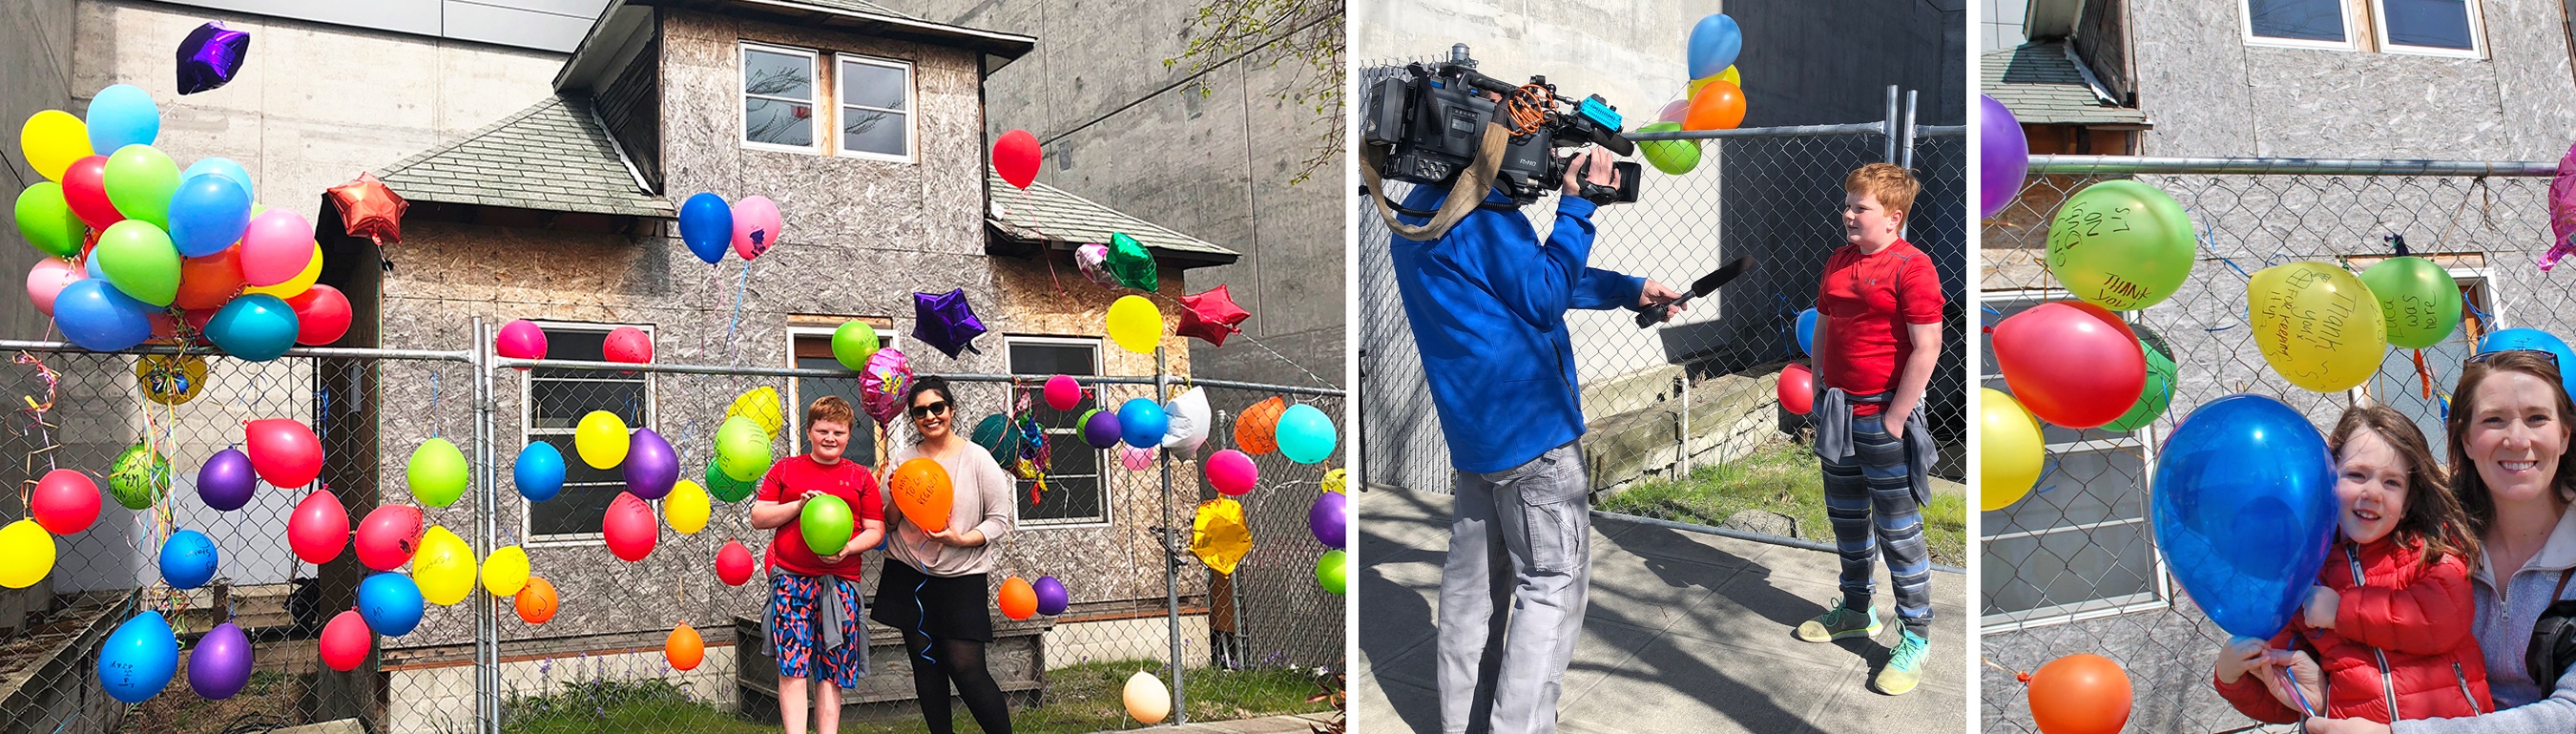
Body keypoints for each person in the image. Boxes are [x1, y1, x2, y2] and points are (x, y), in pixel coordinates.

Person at [1388, 144, 1682, 734]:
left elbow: (1522, 281)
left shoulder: (1425, 208)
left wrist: (1627, 288)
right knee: (1551, 586)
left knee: (1473, 587)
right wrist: (1578, 209)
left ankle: (1463, 721)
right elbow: (1543, 296)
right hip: (1534, 433)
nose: (1542, 157)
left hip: (1478, 437)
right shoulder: (1485, 215)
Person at [2306, 349, 2576, 733]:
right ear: (2466, 440)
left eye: (2537, 418)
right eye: (2494, 420)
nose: (2517, 439)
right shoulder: (2425, 542)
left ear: (2564, 435)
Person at [2212, 405, 2488, 723]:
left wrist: (2341, 612)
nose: (2372, 492)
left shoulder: (2428, 547)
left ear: (2409, 500)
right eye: (2357, 475)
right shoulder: (2307, 574)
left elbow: (2439, 619)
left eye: (2392, 483)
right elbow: (2289, 699)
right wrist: (2233, 677)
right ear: (2328, 481)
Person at [1794, 162, 1944, 696]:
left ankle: (1916, 636)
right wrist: (1817, 388)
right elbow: (1826, 327)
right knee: (1848, 521)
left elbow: (1927, 347)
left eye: (1861, 207)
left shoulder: (1914, 267)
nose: (1849, 214)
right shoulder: (1837, 261)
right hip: (1837, 409)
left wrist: (1898, 417)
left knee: (1899, 532)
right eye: (1849, 204)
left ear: (1894, 217)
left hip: (1884, 415)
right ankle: (1857, 609)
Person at [873, 376, 1019, 734]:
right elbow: (890, 524)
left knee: (967, 669)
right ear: (913, 418)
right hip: (909, 576)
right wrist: (891, 494)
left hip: (961, 577)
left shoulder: (977, 458)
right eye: (920, 411)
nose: (930, 416)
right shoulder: (903, 461)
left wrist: (961, 539)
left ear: (951, 410)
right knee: (926, 667)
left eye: (937, 407)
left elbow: (999, 520)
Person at [748, 395, 886, 734]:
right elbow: (759, 516)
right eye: (823, 430)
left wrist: (847, 549)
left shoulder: (860, 478)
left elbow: (876, 530)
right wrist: (797, 505)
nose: (830, 438)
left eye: (838, 432)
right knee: (792, 668)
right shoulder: (786, 469)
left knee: (831, 670)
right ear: (809, 431)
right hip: (791, 582)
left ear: (849, 435)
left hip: (840, 585)